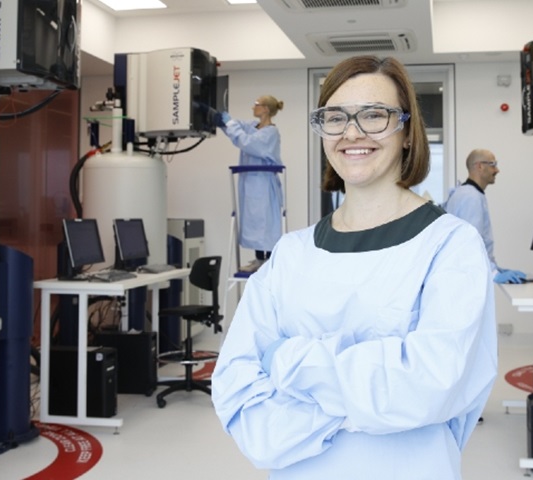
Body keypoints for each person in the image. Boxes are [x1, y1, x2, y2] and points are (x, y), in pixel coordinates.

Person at [212, 55, 497, 479]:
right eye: (336, 117)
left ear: (406, 132)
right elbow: (237, 394)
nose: (351, 132)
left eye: (374, 116)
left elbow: (430, 387)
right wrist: (373, 393)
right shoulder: (291, 253)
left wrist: (286, 361)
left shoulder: (450, 244)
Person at [215, 95, 285, 273]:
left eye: (256, 104)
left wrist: (230, 125)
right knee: (254, 221)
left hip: (263, 182)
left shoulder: (270, 132)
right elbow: (238, 130)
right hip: (250, 182)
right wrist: (224, 121)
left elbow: (248, 142)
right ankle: (258, 259)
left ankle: (268, 261)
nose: (253, 107)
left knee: (265, 222)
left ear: (266, 109)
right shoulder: (254, 127)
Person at [443, 149, 527, 284]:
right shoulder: (470, 197)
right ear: (480, 166)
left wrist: (495, 268)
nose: (497, 170)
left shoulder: (468, 194)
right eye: (493, 164)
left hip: (469, 275)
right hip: (467, 278)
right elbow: (471, 244)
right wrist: (493, 273)